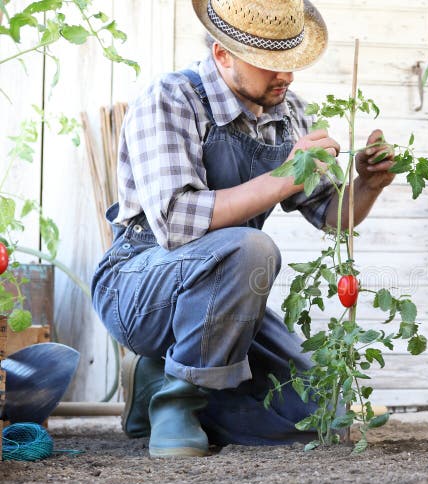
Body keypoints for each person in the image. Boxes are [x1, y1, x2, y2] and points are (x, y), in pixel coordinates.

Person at [91, 0, 397, 458]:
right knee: (253, 249)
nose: (287, 76)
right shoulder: (170, 99)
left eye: (291, 61)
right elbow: (177, 222)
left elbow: (333, 216)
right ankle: (177, 402)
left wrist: (367, 184)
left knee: (326, 414)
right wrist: (285, 176)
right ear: (222, 54)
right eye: (272, 64)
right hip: (139, 287)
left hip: (225, 304)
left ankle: (158, 383)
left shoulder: (289, 113)